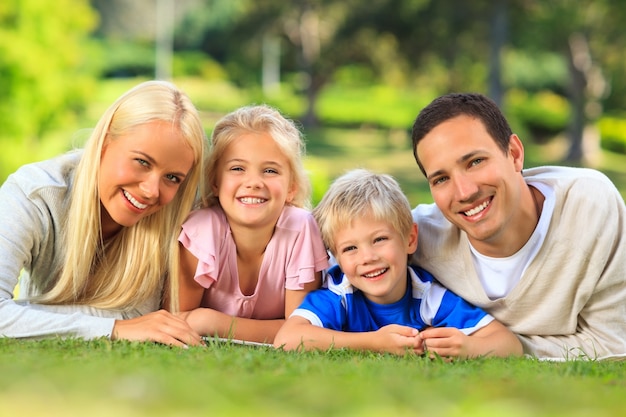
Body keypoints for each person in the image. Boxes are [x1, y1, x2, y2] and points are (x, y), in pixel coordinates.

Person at [410, 92, 626, 360]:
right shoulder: (417, 236)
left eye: (475, 162)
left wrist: (503, 347)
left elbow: (613, 343)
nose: (464, 192)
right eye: (441, 179)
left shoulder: (590, 208)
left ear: (514, 154)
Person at [0, 80, 207, 347]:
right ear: (106, 141)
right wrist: (114, 327)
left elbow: (146, 318)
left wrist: (26, 315)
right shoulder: (34, 194)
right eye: (142, 162)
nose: (151, 191)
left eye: (172, 177)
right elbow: (135, 322)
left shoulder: (179, 212)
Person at [274, 169, 522, 358]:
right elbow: (288, 338)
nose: (367, 257)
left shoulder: (426, 296)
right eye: (350, 248)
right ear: (336, 258)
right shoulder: (340, 294)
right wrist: (374, 342)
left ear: (410, 239)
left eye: (379, 239)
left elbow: (508, 344)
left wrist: (468, 346)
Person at [172, 104, 329, 344]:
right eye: (237, 168)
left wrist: (213, 323)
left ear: (291, 187)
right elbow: (176, 322)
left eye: (269, 170)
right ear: (215, 181)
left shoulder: (301, 230)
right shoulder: (201, 232)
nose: (253, 182)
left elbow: (300, 330)